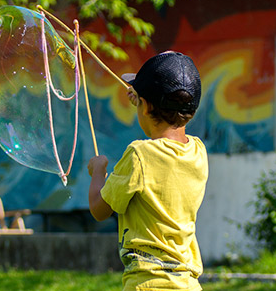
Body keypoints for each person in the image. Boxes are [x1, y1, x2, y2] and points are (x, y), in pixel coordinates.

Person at [88, 51, 209, 291]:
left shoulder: (139, 155)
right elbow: (165, 128)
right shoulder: (198, 150)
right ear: (191, 110)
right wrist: (146, 103)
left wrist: (98, 172)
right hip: (187, 284)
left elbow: (99, 210)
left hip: (147, 284)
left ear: (146, 106)